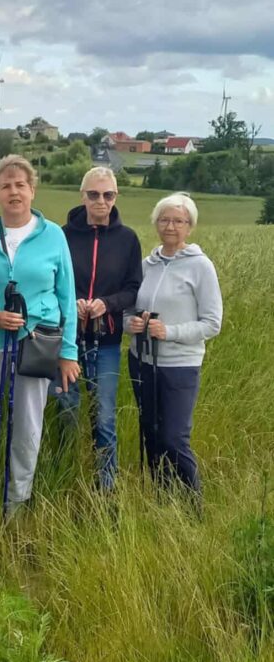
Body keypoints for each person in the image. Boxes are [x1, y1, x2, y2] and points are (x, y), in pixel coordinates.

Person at [0, 154, 79, 513]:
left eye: (21, 185)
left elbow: (67, 296)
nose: (14, 192)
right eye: (6, 186)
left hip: (36, 343)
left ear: (32, 190)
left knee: (28, 425)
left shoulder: (54, 235)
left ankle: (18, 498)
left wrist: (69, 352)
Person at [124, 193, 222, 497]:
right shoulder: (146, 265)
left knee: (173, 438)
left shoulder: (200, 267)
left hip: (180, 365)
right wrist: (131, 324)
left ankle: (193, 505)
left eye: (178, 221)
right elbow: (128, 310)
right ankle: (163, 499)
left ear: (189, 226)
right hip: (142, 360)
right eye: (164, 220)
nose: (170, 226)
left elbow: (212, 323)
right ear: (156, 223)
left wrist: (169, 332)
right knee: (151, 434)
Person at [53, 166, 142, 490]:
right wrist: (73, 301)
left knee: (104, 416)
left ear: (116, 196)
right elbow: (52, 279)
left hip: (106, 340)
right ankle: (62, 479)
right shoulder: (61, 235)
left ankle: (106, 487)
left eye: (108, 195)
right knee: (66, 411)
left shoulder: (127, 239)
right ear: (83, 196)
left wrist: (107, 303)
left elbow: (133, 288)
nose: (100, 201)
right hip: (66, 340)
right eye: (93, 194)